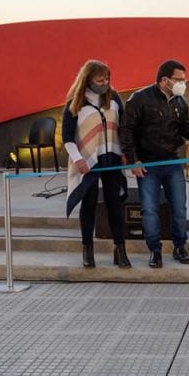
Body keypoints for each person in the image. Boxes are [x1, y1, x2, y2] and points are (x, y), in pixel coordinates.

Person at [119, 60, 189, 268]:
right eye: (179, 80)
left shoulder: (180, 102)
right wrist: (133, 160)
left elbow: (185, 128)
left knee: (179, 208)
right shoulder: (139, 99)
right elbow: (126, 130)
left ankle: (180, 247)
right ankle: (155, 251)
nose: (183, 84)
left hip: (172, 162)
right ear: (164, 80)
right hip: (147, 164)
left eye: (184, 80)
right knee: (149, 209)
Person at [62, 59, 130, 268]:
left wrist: (126, 152)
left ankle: (120, 249)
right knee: (89, 204)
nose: (105, 81)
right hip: (88, 161)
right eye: (100, 78)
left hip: (112, 157)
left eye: (107, 77)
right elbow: (67, 137)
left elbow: (123, 127)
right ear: (88, 79)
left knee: (114, 204)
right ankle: (87, 249)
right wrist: (78, 158)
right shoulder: (75, 102)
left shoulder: (114, 97)